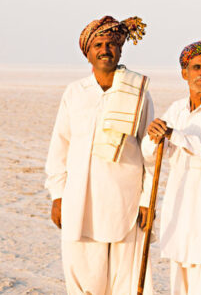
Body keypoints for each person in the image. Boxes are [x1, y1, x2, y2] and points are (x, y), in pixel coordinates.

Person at [44, 15, 155, 294]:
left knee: (124, 280)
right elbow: (60, 145)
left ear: (120, 49)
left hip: (125, 200)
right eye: (99, 44)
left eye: (111, 44)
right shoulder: (75, 92)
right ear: (88, 52)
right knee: (83, 276)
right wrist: (57, 196)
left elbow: (149, 152)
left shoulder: (137, 92)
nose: (105, 50)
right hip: (80, 200)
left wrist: (147, 201)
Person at [144, 41, 201, 294]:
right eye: (196, 67)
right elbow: (152, 155)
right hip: (181, 202)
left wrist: (174, 134)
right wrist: (154, 137)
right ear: (185, 72)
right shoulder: (176, 109)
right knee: (180, 270)